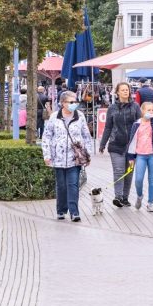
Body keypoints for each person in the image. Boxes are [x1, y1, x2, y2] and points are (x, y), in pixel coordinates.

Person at [41, 90, 92, 221]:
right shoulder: (54, 117)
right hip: (57, 157)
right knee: (61, 185)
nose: (74, 104)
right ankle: (61, 210)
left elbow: (86, 136)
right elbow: (46, 137)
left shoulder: (79, 116)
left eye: (75, 101)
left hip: (75, 158)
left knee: (73, 184)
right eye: (71, 101)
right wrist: (46, 155)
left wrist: (88, 154)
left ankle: (74, 212)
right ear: (63, 103)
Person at [98, 81, 140, 208]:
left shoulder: (135, 107)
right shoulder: (112, 108)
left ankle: (125, 198)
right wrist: (102, 144)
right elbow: (108, 127)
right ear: (117, 92)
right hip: (116, 144)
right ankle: (118, 197)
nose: (125, 92)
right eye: (122, 90)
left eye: (127, 90)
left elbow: (140, 125)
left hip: (132, 146)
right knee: (118, 171)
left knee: (129, 172)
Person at [127, 100, 153, 211]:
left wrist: (152, 121)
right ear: (142, 111)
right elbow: (132, 141)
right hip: (140, 155)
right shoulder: (136, 124)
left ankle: (150, 203)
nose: (151, 112)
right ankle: (139, 196)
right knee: (138, 179)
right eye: (148, 110)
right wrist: (131, 157)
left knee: (152, 179)